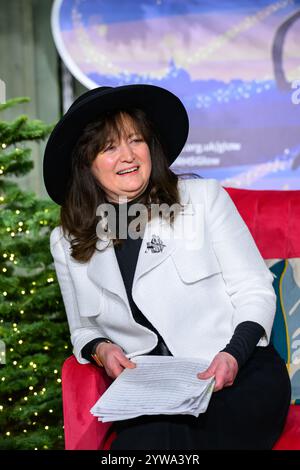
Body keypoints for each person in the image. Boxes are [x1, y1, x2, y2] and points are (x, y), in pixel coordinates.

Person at [43, 84, 291, 450]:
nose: (128, 156)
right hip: (152, 392)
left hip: (237, 373)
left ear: (151, 146)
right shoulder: (65, 239)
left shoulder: (203, 200)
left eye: (136, 140)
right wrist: (102, 350)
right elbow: (82, 330)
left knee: (166, 441)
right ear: (86, 162)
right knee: (143, 442)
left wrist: (232, 355)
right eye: (109, 147)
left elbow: (254, 290)